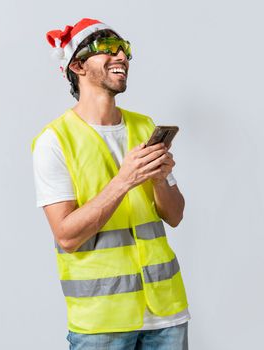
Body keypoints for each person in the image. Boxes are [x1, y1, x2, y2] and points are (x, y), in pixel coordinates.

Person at [31, 18, 191, 349]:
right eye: (105, 48)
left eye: (124, 49)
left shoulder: (144, 126)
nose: (120, 55)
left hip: (167, 312)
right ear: (77, 65)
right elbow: (67, 235)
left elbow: (175, 215)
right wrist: (125, 180)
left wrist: (160, 179)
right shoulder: (54, 141)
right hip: (101, 322)